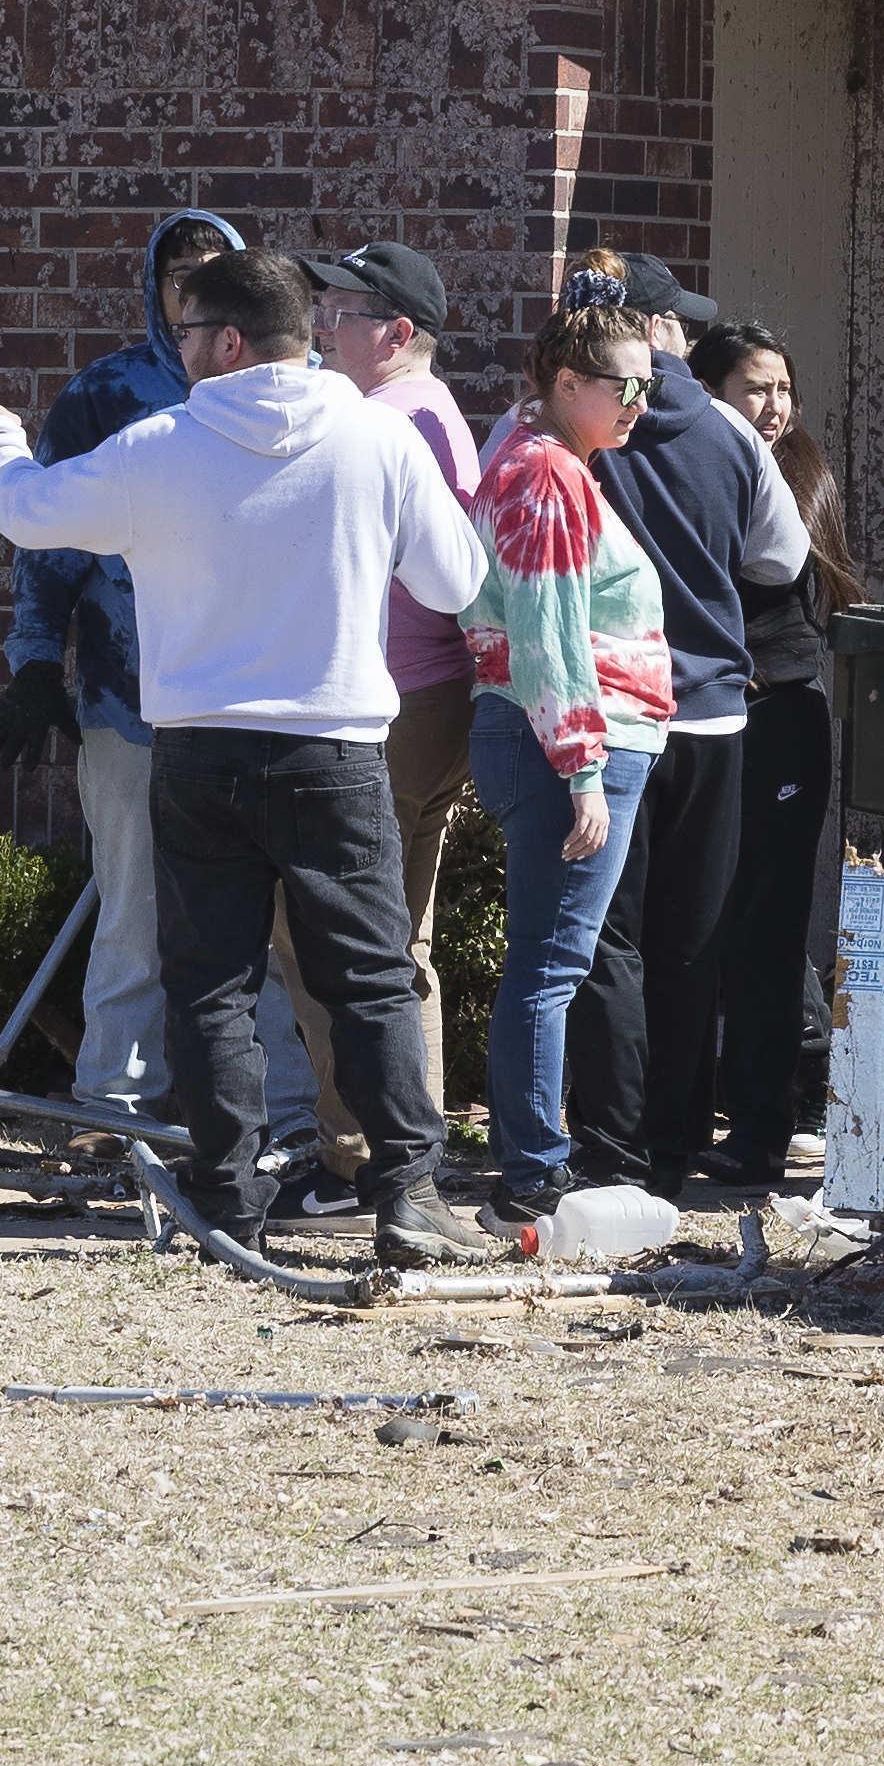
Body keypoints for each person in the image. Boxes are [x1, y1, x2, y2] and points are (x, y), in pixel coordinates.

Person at [0, 246, 497, 1263]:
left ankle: (224, 1197)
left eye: (185, 335)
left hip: (200, 748)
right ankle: (409, 1195)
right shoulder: (379, 439)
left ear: (224, 340)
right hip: (336, 746)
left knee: (208, 983)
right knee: (371, 979)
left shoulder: (158, 445)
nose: (178, 352)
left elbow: (28, 510)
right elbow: (453, 580)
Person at [0, 209, 310, 1156]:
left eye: (209, 275)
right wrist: (37, 664)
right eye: (175, 277)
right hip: (129, 700)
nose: (188, 294)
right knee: (132, 913)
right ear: (155, 289)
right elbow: (46, 545)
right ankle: (114, 1113)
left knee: (274, 926)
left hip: (247, 705)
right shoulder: (109, 394)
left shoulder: (285, 401)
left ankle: (282, 1115)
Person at [557, 250, 807, 1195]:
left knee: (605, 937)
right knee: (690, 939)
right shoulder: (726, 431)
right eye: (678, 324)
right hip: (709, 712)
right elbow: (780, 560)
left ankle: (610, 1143)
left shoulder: (571, 420)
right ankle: (671, 1141)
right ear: (654, 328)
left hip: (611, 705)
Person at [463, 300, 677, 1217]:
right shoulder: (546, 475)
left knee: (548, 961)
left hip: (550, 736)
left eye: (648, 384)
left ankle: (532, 1164)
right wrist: (583, 768)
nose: (639, 401)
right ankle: (534, 1177)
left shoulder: (542, 458)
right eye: (623, 385)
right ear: (564, 383)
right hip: (557, 741)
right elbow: (547, 633)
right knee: (551, 965)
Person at [284, 237, 479, 1208]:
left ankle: (357, 1157)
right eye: (322, 307)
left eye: (344, 311)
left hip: (391, 707)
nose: (322, 324)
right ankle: (409, 1155)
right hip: (430, 700)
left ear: (397, 333)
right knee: (401, 944)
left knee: (323, 937)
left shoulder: (387, 421)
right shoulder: (427, 411)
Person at [688, 317, 848, 1177]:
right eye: (757, 387)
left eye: (784, 387)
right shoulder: (686, 458)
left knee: (768, 920)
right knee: (707, 915)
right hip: (711, 714)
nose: (776, 405)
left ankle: (770, 1121)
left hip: (782, 708)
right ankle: (723, 1113)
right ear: (707, 389)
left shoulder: (797, 471)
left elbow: (787, 583)